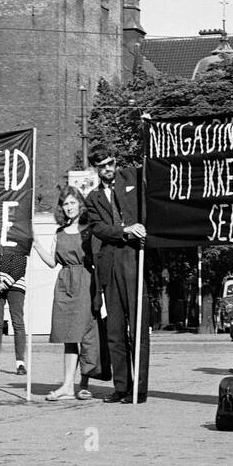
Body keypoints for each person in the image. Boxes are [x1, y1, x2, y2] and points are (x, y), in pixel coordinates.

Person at [85, 146, 150, 403]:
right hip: (109, 263)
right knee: (114, 330)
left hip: (135, 257)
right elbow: (99, 228)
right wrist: (125, 230)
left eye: (110, 163)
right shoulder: (92, 198)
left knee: (137, 326)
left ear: (116, 161)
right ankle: (122, 386)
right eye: (101, 166)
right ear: (96, 169)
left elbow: (153, 168)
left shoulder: (133, 177)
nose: (107, 169)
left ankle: (140, 389)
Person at [32, 187, 99, 400]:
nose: (68, 207)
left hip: (86, 282)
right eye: (65, 204)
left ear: (80, 203)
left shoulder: (91, 230)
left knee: (87, 334)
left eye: (72, 202)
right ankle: (67, 386)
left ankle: (84, 384)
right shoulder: (59, 233)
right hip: (64, 284)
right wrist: (35, 244)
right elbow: (52, 262)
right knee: (68, 337)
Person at [0, 244, 28, 375]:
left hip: (16, 286)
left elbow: (19, 266)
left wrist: (4, 284)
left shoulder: (18, 241)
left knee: (17, 322)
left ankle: (20, 363)